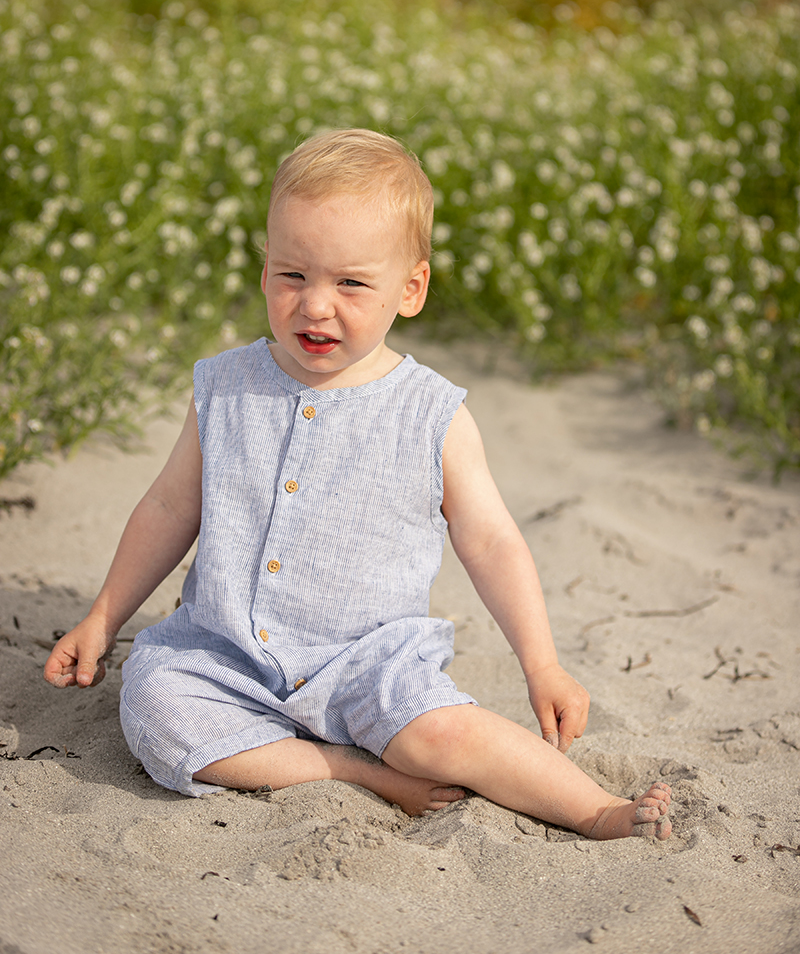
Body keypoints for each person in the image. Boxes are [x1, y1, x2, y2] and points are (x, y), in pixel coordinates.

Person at [45, 128, 671, 840]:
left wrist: (543, 663)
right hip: (226, 653)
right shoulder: (225, 387)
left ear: (410, 290)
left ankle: (593, 810)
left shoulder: (432, 413)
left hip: (368, 665)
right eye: (292, 275)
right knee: (156, 706)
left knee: (446, 736)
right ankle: (350, 770)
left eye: (350, 283)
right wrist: (103, 616)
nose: (316, 305)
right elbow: (167, 505)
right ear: (264, 272)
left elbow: (491, 540)